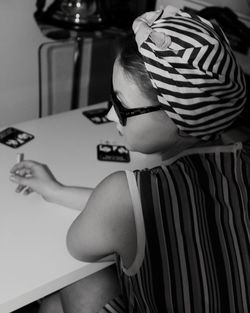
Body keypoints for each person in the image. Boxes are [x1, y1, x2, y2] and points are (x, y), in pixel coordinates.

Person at [10, 5, 250, 312]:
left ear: (180, 118)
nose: (111, 114)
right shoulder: (241, 156)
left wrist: (138, 167)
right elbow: (127, 212)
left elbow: (79, 244)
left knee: (73, 284)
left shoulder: (123, 193)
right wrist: (55, 190)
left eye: (122, 106)